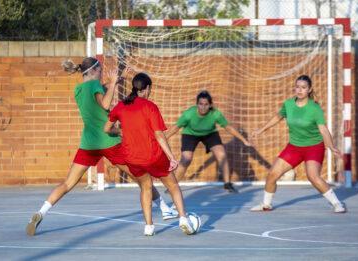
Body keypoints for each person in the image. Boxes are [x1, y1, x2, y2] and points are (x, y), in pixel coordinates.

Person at [26, 58, 176, 237]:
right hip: (109, 141)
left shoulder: (79, 89)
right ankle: (165, 208)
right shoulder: (96, 86)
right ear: (95, 70)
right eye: (101, 69)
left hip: (89, 143)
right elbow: (105, 104)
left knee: (67, 183)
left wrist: (115, 81)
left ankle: (41, 212)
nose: (103, 73)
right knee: (143, 179)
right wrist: (113, 83)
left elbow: (97, 94)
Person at [104, 73, 195, 236]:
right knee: (173, 185)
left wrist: (122, 131)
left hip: (132, 157)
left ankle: (148, 226)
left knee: (145, 187)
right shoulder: (150, 106)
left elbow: (107, 129)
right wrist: (171, 157)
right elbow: (159, 135)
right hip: (153, 155)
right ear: (147, 89)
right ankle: (183, 219)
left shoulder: (120, 106)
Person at [250, 75, 346, 213]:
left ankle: (337, 204)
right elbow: (278, 116)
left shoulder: (314, 108)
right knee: (272, 174)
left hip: (313, 147)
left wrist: (330, 146)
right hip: (294, 147)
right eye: (297, 87)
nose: (299, 90)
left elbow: (323, 129)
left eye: (303, 87)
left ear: (309, 89)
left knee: (313, 176)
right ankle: (266, 204)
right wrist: (260, 130)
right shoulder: (288, 104)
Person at [166, 91, 252, 193]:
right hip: (190, 134)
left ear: (210, 105)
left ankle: (227, 184)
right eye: (200, 104)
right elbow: (175, 128)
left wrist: (244, 140)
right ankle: (173, 185)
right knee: (186, 159)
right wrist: (163, 139)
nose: (203, 107)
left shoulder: (215, 114)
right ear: (197, 104)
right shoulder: (189, 114)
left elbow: (228, 128)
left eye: (206, 104)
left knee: (222, 154)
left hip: (210, 134)